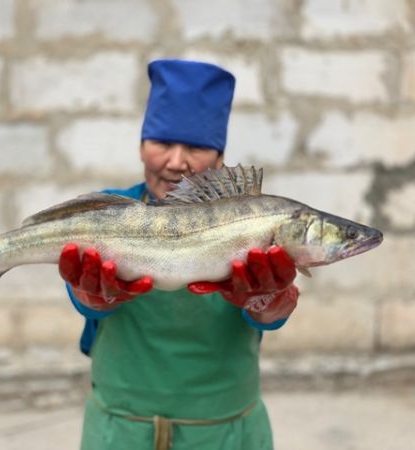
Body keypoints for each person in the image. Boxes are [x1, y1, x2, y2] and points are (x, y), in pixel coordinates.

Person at [58, 59, 300, 450]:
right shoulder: (106, 213)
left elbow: (269, 311)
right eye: (162, 143)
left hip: (226, 434)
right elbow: (88, 305)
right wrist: (90, 297)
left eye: (196, 147)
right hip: (119, 433)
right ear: (141, 147)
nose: (175, 161)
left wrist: (271, 304)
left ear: (220, 158)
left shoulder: (252, 220)